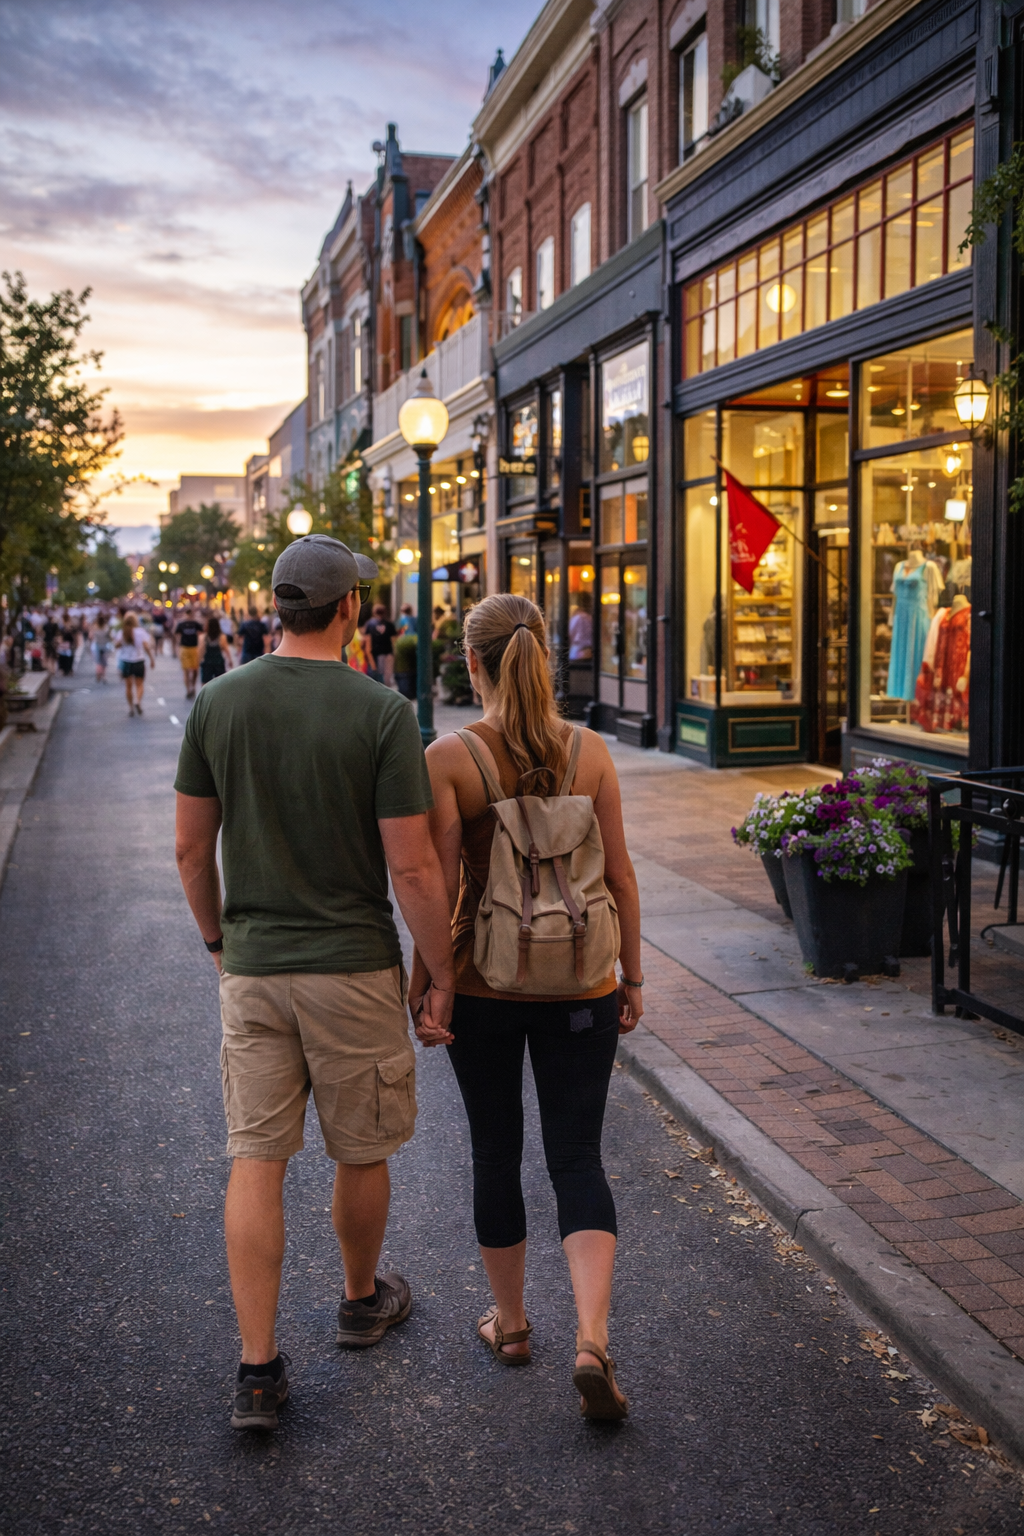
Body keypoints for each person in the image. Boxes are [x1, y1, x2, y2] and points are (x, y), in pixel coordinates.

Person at [173, 534, 456, 1432]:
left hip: (255, 967)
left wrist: (221, 941)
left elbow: (190, 847)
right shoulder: (381, 712)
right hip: (352, 966)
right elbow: (412, 872)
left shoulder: (218, 701)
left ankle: (257, 1369)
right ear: (350, 612)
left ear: (277, 607)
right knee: (357, 1146)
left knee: (256, 1157)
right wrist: (438, 972)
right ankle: (360, 1300)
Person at [415, 592, 643, 1422]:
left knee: (495, 1151)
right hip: (584, 981)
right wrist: (636, 976)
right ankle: (591, 1338)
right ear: (544, 655)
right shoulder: (592, 753)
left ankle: (511, 1326)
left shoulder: (451, 757)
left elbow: (439, 886)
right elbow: (620, 876)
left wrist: (430, 979)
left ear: (472, 663)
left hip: (485, 984)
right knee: (577, 1158)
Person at [115, 611, 155, 716]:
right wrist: (151, 659)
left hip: (126, 661)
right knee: (139, 684)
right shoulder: (140, 632)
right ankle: (137, 701)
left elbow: (116, 646)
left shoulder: (122, 632)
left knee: (128, 687)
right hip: (138, 661)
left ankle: (130, 708)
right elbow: (146, 646)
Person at [364, 603, 397, 687]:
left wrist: (369, 658)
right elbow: (394, 641)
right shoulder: (389, 624)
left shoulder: (370, 624)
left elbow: (368, 642)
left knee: (378, 678)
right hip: (388, 653)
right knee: (387, 677)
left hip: (376, 654)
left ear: (374, 612)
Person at [199, 614, 234, 687]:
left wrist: (198, 660)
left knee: (205, 682)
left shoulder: (203, 637)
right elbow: (226, 650)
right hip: (219, 662)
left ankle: (206, 697)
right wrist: (230, 660)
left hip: (207, 662)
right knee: (221, 682)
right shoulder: (222, 637)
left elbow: (201, 650)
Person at [175, 607, 202, 698]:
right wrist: (179, 646)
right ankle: (188, 689)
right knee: (186, 670)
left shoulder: (196, 624)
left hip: (193, 648)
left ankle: (192, 686)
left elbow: (202, 633)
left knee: (194, 670)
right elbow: (177, 634)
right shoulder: (182, 624)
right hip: (185, 648)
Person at [90, 612, 112, 683]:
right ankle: (104, 675)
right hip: (105, 645)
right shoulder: (106, 628)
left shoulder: (95, 628)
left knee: (98, 661)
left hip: (97, 645)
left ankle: (98, 672)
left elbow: (91, 636)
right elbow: (110, 637)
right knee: (104, 661)